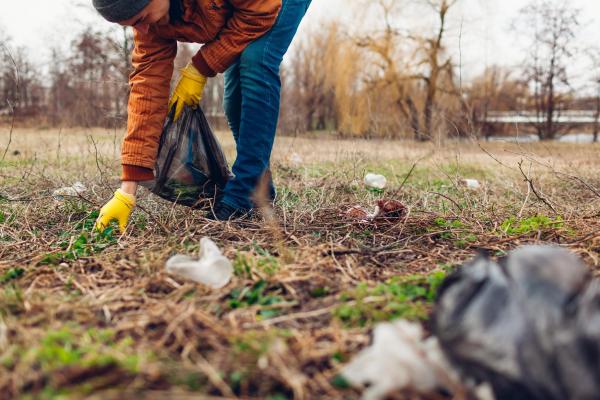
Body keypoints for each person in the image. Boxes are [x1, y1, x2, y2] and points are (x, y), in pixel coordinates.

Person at [92, 0, 312, 232]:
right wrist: (127, 191)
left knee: (256, 61)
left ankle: (246, 190)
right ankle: (259, 186)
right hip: (246, 8)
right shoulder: (150, 24)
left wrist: (200, 67)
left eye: (140, 18)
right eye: (133, 26)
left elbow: (260, 11)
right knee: (234, 95)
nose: (143, 29)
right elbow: (147, 90)